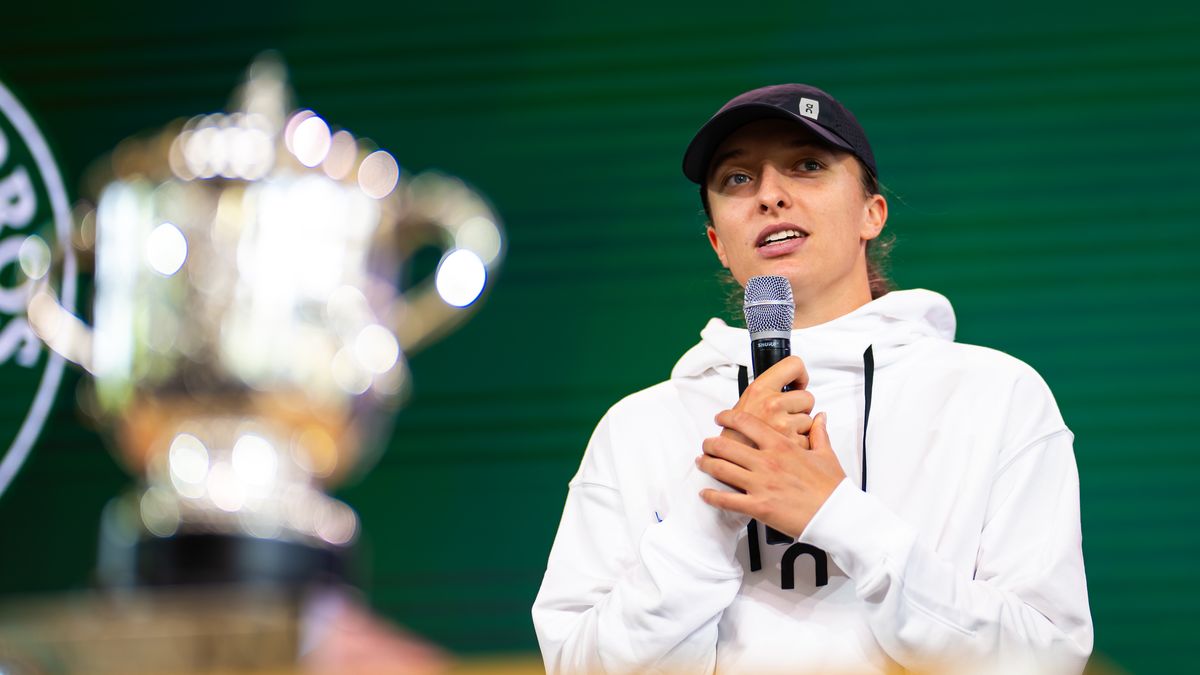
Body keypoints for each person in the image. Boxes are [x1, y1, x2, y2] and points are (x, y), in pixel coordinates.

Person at [531, 84, 1093, 674]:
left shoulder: (993, 395)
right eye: (738, 178)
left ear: (871, 213)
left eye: (807, 166)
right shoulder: (638, 427)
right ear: (719, 243)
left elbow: (1047, 658)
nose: (770, 195)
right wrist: (713, 507)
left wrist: (836, 514)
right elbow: (576, 666)